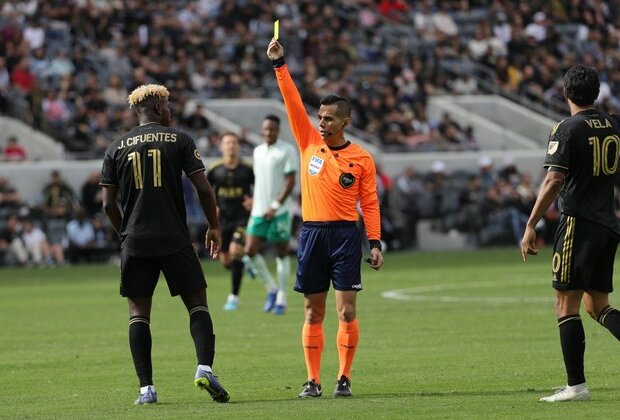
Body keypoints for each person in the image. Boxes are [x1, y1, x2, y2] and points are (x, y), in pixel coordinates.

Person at [267, 38, 384, 398]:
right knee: (311, 311)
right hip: (313, 234)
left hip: (347, 237)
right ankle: (313, 380)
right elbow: (290, 100)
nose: (321, 122)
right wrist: (279, 64)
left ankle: (344, 378)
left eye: (329, 118)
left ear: (344, 122)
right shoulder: (307, 141)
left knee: (346, 312)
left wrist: (375, 242)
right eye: (319, 116)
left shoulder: (362, 158)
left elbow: (370, 201)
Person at [100, 84, 229, 405]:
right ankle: (204, 368)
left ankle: (146, 389)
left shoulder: (116, 147)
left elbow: (107, 204)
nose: (171, 110)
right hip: (174, 236)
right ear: (157, 107)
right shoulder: (180, 140)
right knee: (197, 303)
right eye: (168, 105)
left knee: (138, 312)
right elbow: (204, 188)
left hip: (136, 240)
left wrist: (125, 233)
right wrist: (214, 225)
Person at [521, 65, 620, 403]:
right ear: (596, 93)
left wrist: (531, 223)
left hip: (578, 221)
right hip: (608, 223)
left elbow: (553, 179)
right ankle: (575, 385)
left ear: (566, 93)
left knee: (566, 304)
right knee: (599, 307)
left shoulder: (567, 128)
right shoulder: (612, 124)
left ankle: (576, 386)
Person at [244, 114, 298, 315]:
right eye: (265, 129)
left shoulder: (287, 150)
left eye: (272, 129)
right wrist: (254, 200)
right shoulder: (258, 151)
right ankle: (272, 288)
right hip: (259, 210)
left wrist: (275, 205)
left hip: (280, 212)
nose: (268, 132)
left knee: (281, 253)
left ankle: (282, 296)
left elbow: (290, 182)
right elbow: (260, 182)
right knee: (250, 250)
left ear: (278, 130)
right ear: (262, 130)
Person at [206, 132, 254, 311]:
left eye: (234, 143)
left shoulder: (247, 170)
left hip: (242, 218)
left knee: (235, 251)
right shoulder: (214, 170)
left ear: (238, 146)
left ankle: (233, 297)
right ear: (221, 147)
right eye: (227, 143)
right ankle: (244, 263)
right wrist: (212, 208)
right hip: (222, 220)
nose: (231, 146)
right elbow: (204, 192)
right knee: (226, 261)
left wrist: (254, 200)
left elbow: (263, 186)